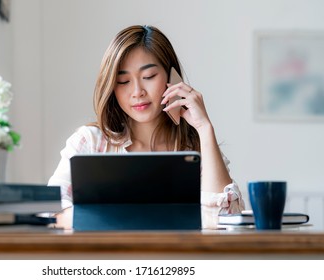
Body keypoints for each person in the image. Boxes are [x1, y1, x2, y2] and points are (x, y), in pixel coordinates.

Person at [48, 25, 245, 229]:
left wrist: (204, 128)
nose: (137, 92)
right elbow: (51, 211)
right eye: (123, 81)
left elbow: (225, 220)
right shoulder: (90, 141)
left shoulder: (198, 147)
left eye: (149, 76)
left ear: (171, 76)